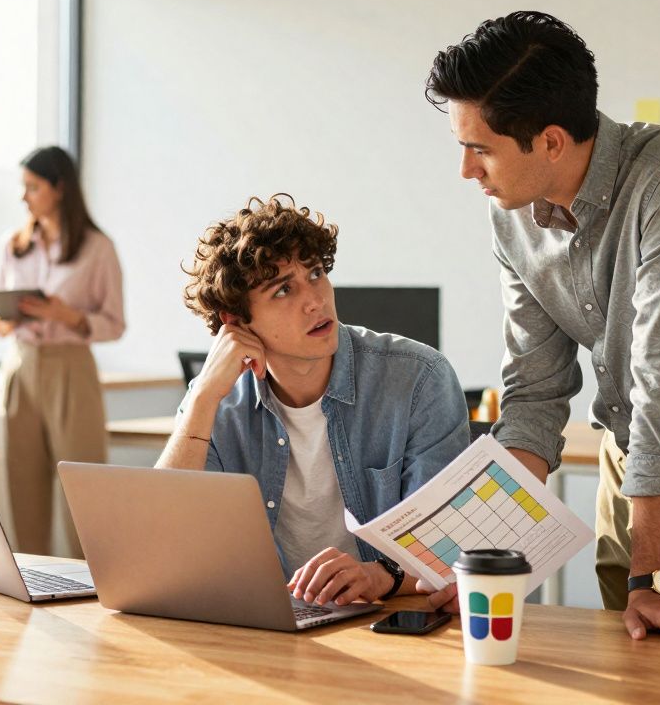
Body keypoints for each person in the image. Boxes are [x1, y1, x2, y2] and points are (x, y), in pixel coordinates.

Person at [424, 12, 660, 647]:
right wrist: (480, 558)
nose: (467, 170)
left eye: (480, 148)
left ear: (550, 141)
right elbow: (534, 394)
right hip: (630, 466)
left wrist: (650, 575)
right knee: (625, 670)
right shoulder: (513, 214)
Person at [157, 194, 470, 608]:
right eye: (284, 289)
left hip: (388, 622)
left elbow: (450, 546)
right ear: (236, 323)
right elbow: (162, 546)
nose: (315, 300)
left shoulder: (418, 378)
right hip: (267, 626)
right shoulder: (216, 401)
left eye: (317, 273)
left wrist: (376, 576)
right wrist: (200, 401)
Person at [0, 145, 125, 556]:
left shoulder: (97, 248)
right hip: (20, 366)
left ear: (59, 188)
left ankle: (94, 591)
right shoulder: (13, 245)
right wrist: (12, 318)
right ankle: (32, 589)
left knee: (83, 493)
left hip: (72, 369)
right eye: (23, 187)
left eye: (32, 187)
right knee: (23, 489)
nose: (24, 197)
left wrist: (67, 316)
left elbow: (114, 324)